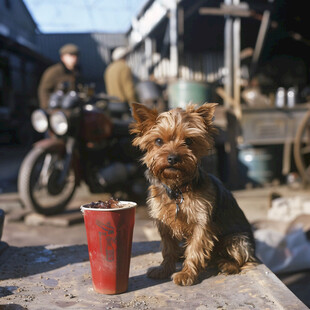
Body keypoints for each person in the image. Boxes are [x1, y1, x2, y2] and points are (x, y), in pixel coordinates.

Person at [38, 43, 82, 109]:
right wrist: (46, 108)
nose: (74, 58)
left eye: (76, 56)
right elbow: (44, 90)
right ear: (62, 57)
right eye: (70, 55)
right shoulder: (53, 71)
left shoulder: (77, 72)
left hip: (72, 109)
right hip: (57, 109)